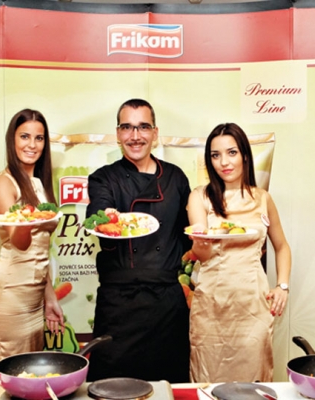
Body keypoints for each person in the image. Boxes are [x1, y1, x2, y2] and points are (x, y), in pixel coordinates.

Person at [85, 98, 192, 383]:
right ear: (118, 133)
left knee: (169, 386)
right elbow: (97, 214)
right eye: (127, 127)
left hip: (166, 304)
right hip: (119, 305)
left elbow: (189, 234)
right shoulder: (103, 178)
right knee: (112, 386)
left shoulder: (175, 178)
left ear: (155, 133)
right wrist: (108, 217)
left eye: (143, 127)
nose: (135, 136)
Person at [187, 122, 292, 383]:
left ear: (245, 155)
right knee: (208, 381)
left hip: (253, 305)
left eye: (231, 152)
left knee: (253, 383)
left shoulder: (263, 198)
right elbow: (202, 256)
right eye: (215, 155)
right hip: (211, 306)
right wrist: (199, 242)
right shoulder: (200, 197)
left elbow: (282, 246)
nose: (224, 162)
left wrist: (282, 286)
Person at [0, 108, 64, 382]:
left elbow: (41, 251)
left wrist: (49, 298)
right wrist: (26, 221)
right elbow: (20, 243)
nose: (32, 145)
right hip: (9, 295)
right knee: (11, 379)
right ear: (12, 140)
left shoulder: (39, 184)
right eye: (24, 136)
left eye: (39, 138)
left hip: (34, 296)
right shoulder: (2, 183)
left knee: (33, 379)